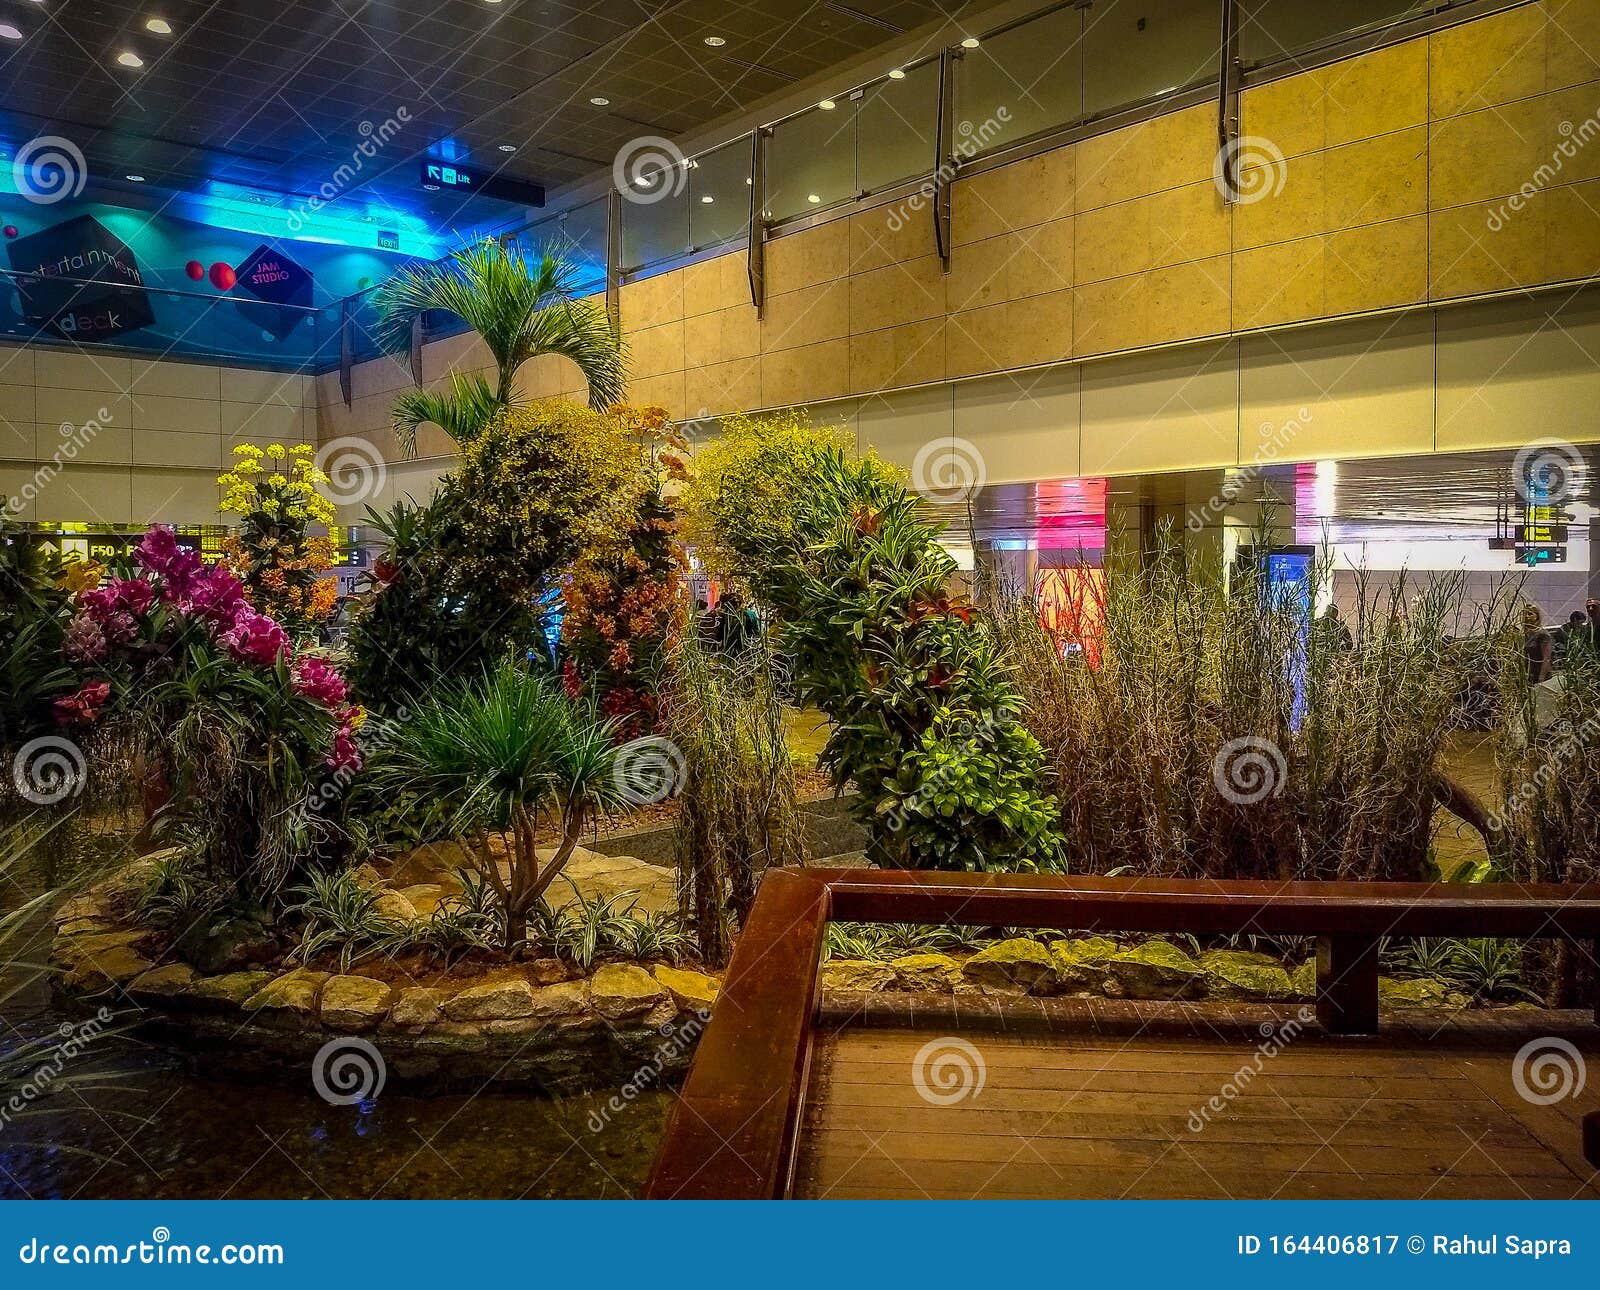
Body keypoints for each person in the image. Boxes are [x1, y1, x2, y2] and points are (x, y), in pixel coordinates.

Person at [1523, 605, 1554, 686]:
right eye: (1525, 614)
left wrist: (1541, 679)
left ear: (1537, 616)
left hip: (1539, 676)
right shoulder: (1525, 634)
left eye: (1530, 614)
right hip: (1528, 675)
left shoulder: (1542, 634)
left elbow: (1546, 658)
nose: (1527, 616)